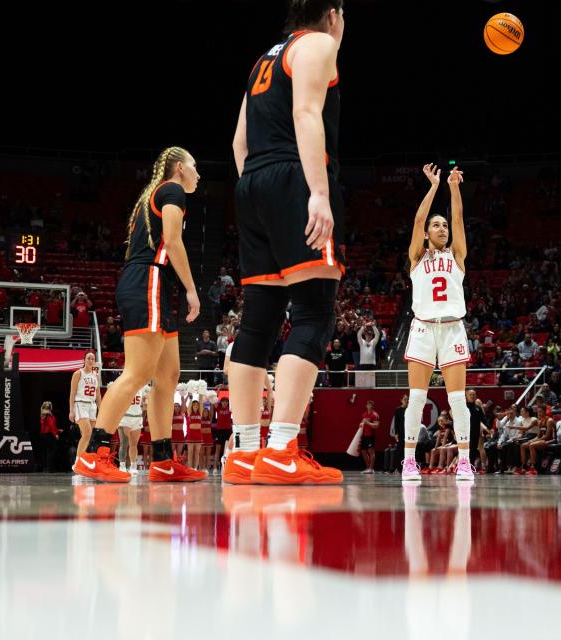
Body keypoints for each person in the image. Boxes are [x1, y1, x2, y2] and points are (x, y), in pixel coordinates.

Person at [224, 0, 346, 485]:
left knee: (260, 317)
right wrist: (316, 191)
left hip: (251, 181)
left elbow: (239, 142)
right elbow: (306, 112)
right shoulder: (318, 44)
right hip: (294, 177)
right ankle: (281, 449)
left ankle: (245, 451)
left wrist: (259, 194)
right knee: (315, 312)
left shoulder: (264, 60)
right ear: (332, 13)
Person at [73, 147, 205, 483]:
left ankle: (162, 459)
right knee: (138, 373)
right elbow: (173, 242)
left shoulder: (158, 193)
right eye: (194, 166)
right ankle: (94, 453)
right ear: (178, 167)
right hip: (148, 280)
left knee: (168, 376)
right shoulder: (172, 189)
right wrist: (192, 288)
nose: (198, 174)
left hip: (156, 284)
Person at [401, 164, 473, 484]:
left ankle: (465, 462)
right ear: (428, 233)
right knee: (417, 397)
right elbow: (417, 219)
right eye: (437, 225)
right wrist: (433, 187)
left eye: (444, 225)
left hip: (452, 328)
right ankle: (408, 461)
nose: (443, 228)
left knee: (457, 399)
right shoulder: (418, 257)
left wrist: (454, 187)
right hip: (423, 328)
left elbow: (459, 220)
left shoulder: (457, 255)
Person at [69, 352, 102, 459]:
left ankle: (81, 458)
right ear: (84, 360)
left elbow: (98, 395)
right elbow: (72, 393)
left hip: (92, 406)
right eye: (89, 358)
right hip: (80, 404)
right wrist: (71, 410)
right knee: (87, 433)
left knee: (87, 436)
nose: (91, 360)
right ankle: (78, 461)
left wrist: (101, 410)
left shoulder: (95, 376)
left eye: (93, 359)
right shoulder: (78, 373)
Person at [118, 382, 150, 474]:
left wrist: (145, 402)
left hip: (137, 417)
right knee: (124, 443)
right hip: (125, 416)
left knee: (133, 444)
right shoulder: (124, 386)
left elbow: (145, 402)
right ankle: (122, 465)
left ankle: (133, 466)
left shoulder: (141, 388)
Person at [359, 400, 380, 474]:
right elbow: (362, 423)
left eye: (370, 405)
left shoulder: (375, 415)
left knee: (371, 452)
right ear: (366, 405)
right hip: (364, 435)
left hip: (370, 436)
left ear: (372, 406)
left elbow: (376, 426)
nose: (369, 406)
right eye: (368, 404)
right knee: (363, 451)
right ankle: (368, 468)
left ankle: (371, 469)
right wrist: (361, 424)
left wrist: (367, 422)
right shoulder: (364, 414)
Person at [39, 401, 60, 472]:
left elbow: (49, 425)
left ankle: (45, 468)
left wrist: (58, 430)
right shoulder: (49, 415)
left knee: (45, 452)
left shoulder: (42, 414)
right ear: (50, 407)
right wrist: (56, 434)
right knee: (51, 451)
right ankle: (50, 468)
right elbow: (51, 426)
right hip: (49, 435)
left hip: (43, 435)